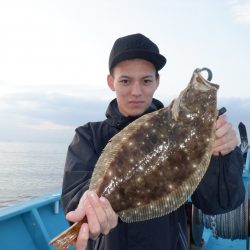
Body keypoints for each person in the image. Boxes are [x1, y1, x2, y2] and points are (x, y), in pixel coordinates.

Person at [61, 33, 245, 250]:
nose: (136, 92)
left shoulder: (188, 137)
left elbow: (219, 203)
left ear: (157, 82)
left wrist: (222, 156)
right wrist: (88, 205)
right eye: (125, 81)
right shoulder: (89, 136)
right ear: (111, 82)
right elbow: (76, 192)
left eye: (146, 81)